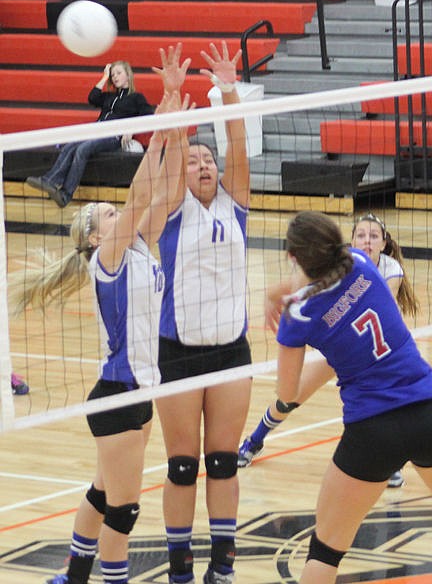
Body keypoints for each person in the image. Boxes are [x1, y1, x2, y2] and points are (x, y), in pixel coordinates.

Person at [9, 89, 189, 584]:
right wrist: (159, 129)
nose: (117, 215)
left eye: (114, 212)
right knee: (124, 508)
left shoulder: (137, 250)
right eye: (107, 215)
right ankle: (112, 579)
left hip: (140, 390)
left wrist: (176, 130)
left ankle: (75, 575)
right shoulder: (108, 262)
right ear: (94, 237)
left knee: (102, 491)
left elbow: (169, 193)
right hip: (117, 394)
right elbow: (140, 196)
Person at [270, 210, 432, 584]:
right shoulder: (359, 260)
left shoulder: (299, 313)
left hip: (372, 430)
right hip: (425, 409)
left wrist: (286, 314)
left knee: (325, 551)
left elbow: (287, 393)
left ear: (294, 258)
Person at [154, 42, 252, 584]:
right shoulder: (173, 209)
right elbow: (174, 145)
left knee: (223, 461)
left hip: (230, 349)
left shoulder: (235, 206)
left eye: (207, 159)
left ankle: (224, 565)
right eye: (195, 161)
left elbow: (236, 143)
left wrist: (229, 88)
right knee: (182, 466)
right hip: (178, 351)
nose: (204, 164)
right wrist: (175, 97)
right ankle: (179, 569)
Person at [238, 212, 419, 489]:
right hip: (348, 350)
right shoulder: (357, 262)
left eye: (373, 236)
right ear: (346, 240)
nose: (367, 242)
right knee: (292, 398)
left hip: (363, 352)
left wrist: (291, 304)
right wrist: (272, 296)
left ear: (384, 243)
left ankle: (388, 461)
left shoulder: (390, 269)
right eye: (361, 235)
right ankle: (255, 439)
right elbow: (289, 288)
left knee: (369, 404)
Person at [26, 61, 153, 208]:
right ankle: (50, 181)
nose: (115, 77)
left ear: (128, 75)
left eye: (119, 73)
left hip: (113, 136)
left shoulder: (136, 97)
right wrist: (105, 77)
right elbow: (92, 97)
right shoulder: (109, 96)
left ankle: (65, 194)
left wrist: (130, 129)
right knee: (70, 146)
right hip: (96, 130)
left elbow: (148, 117)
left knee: (82, 149)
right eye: (113, 75)